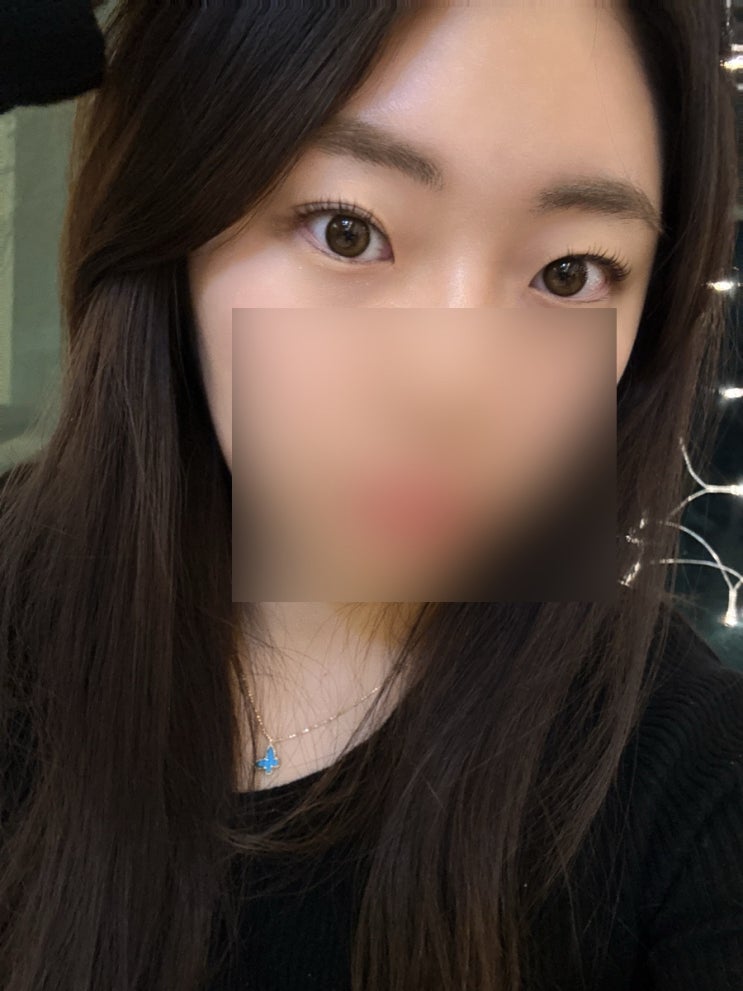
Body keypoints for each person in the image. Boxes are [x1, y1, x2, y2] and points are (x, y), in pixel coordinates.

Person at [0, 2, 741, 990]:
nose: (451, 388)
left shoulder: (690, 783)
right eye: (347, 232)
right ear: (173, 218)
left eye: (569, 274)